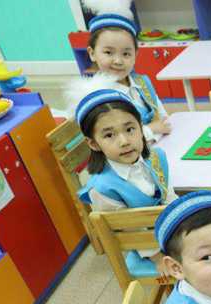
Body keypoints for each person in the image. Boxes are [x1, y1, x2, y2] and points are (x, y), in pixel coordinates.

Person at [67, 74, 177, 277]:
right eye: (109, 135)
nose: (124, 141)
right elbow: (129, 231)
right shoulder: (102, 188)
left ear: (141, 129)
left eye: (130, 129)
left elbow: (168, 194)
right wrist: (157, 257)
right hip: (147, 248)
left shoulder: (157, 157)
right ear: (93, 143)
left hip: (170, 229)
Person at [84, 0, 171, 142]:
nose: (118, 61)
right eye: (108, 52)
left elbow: (164, 120)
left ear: (136, 55)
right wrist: (152, 129)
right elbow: (113, 142)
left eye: (126, 54)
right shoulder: (99, 97)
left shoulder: (142, 82)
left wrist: (156, 129)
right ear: (92, 53)